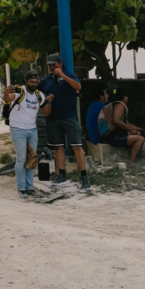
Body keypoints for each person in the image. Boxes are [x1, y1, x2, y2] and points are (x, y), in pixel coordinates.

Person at [39, 53, 91, 191]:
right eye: (50, 65)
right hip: (53, 118)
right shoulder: (45, 81)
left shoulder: (70, 75)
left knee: (77, 146)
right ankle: (61, 174)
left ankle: (84, 176)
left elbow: (78, 87)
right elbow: (38, 93)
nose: (51, 67)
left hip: (70, 116)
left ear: (60, 64)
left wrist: (63, 75)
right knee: (58, 147)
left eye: (54, 64)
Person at [4, 72, 51, 199]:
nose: (34, 84)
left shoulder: (38, 94)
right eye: (31, 82)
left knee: (32, 158)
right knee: (21, 159)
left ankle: (30, 188)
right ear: (26, 81)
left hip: (32, 129)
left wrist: (47, 101)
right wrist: (6, 93)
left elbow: (45, 111)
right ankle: (21, 188)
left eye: (36, 82)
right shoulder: (20, 92)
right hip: (18, 129)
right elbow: (8, 99)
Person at [99, 91, 145, 168]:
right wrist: (130, 130)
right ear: (125, 97)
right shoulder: (120, 105)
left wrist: (140, 130)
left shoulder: (113, 105)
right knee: (140, 139)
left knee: (138, 135)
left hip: (107, 135)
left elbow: (126, 123)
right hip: (113, 136)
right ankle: (132, 163)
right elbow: (116, 120)